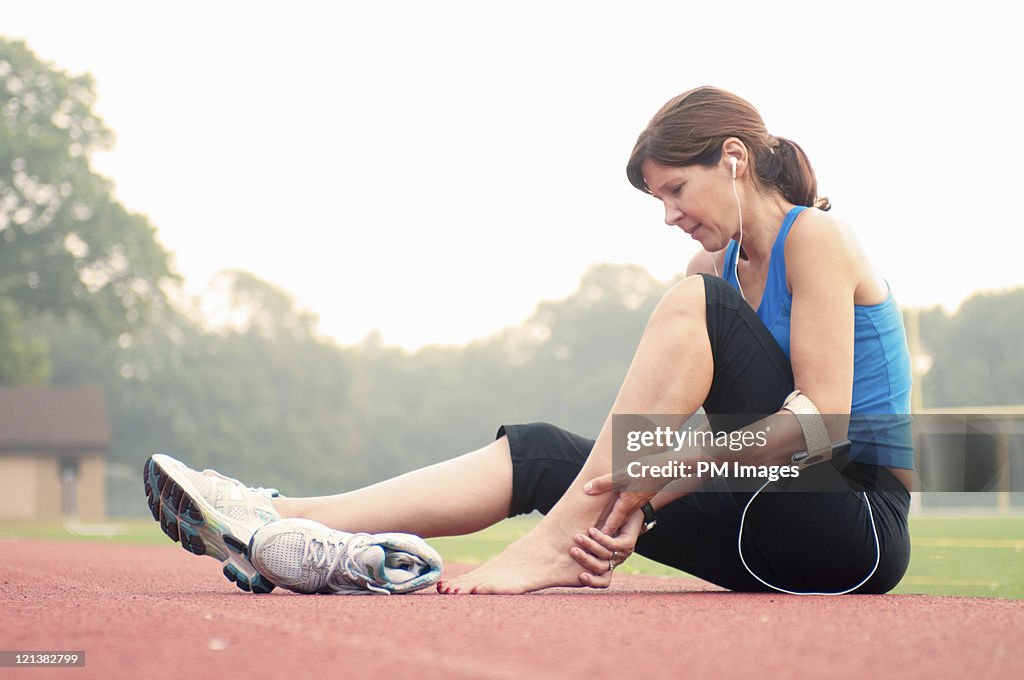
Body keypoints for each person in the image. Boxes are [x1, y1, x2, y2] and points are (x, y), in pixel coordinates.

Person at [144, 86, 913, 596]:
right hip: (755, 530)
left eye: (676, 189)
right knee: (547, 452)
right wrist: (638, 504)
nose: (670, 215)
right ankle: (277, 520)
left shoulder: (815, 238)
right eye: (658, 199)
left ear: (734, 160)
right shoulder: (712, 267)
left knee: (690, 315)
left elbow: (819, 423)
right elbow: (723, 439)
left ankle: (556, 540)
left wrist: (647, 477)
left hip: (854, 531)